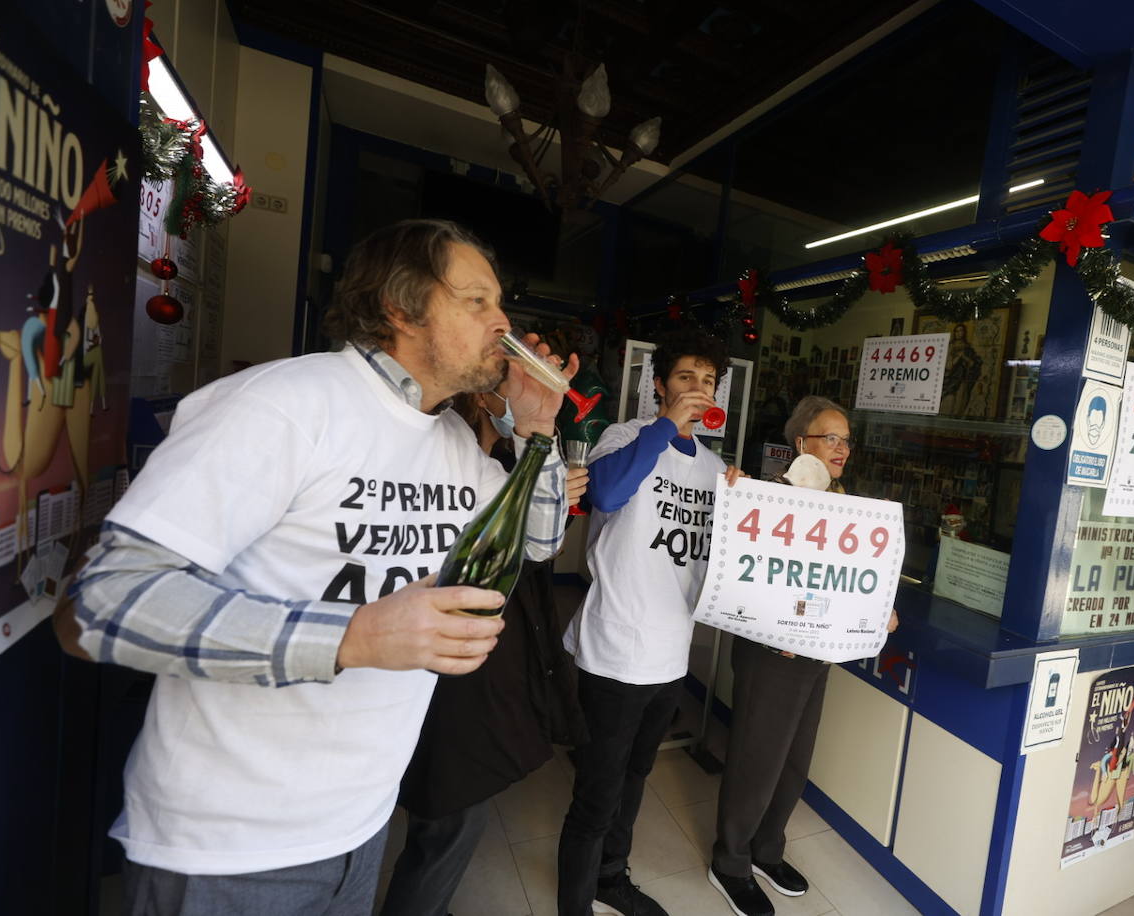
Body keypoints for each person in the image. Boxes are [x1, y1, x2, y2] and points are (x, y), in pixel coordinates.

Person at [52, 218, 573, 915]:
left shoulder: (451, 440)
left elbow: (538, 543)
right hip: (227, 848)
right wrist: (352, 637)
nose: (503, 320)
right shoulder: (285, 404)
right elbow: (98, 607)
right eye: (476, 300)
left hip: (360, 828)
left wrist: (536, 431)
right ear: (402, 305)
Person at [381, 389, 590, 916]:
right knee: (439, 806)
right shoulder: (427, 448)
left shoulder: (496, 462)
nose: (519, 394)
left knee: (452, 807)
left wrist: (543, 467)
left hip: (476, 662)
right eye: (507, 380)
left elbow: (542, 545)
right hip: (413, 661)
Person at [558, 326, 743, 916]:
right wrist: (666, 425)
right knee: (597, 789)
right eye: (685, 377)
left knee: (636, 776)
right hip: (614, 648)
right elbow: (605, 496)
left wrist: (745, 504)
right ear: (659, 386)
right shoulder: (626, 435)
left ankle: (611, 878)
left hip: (671, 654)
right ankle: (574, 901)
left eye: (708, 380)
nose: (697, 388)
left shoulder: (716, 468)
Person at [708, 395, 898, 916]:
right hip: (772, 653)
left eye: (846, 440)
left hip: (816, 655)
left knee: (793, 762)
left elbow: (849, 577)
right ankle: (731, 860)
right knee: (757, 759)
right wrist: (734, 492)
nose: (841, 449)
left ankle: (768, 849)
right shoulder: (771, 498)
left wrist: (880, 608)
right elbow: (751, 573)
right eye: (829, 439)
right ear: (800, 444)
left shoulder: (848, 503)